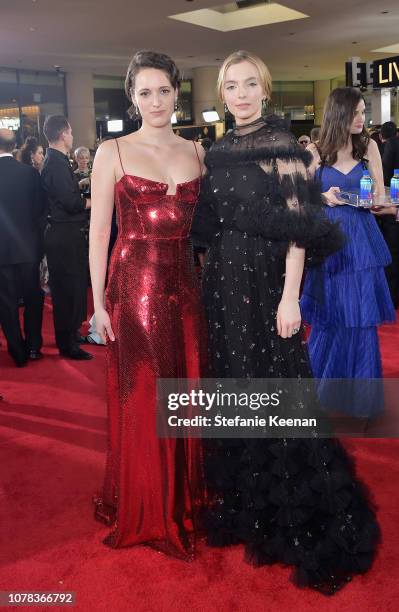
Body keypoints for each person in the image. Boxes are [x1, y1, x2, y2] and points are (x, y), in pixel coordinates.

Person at [192, 51, 380, 595]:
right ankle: (248, 504)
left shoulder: (285, 147)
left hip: (269, 285)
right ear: (222, 93)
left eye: (252, 83)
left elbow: (300, 229)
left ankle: (291, 515)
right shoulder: (218, 151)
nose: (242, 93)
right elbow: (208, 230)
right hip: (223, 287)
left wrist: (290, 297)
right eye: (232, 85)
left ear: (266, 89)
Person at [89, 50, 206, 558]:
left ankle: (184, 498)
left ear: (176, 93)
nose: (155, 101)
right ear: (132, 97)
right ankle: (149, 507)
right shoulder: (111, 152)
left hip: (186, 286)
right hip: (134, 288)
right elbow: (97, 235)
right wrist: (97, 304)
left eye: (163, 90)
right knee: (145, 396)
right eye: (144, 92)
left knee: (186, 391)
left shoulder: (198, 152)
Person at [300, 88, 395, 416]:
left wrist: (380, 201)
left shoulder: (368, 146)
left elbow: (381, 197)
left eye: (363, 112)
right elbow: (297, 203)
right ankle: (323, 391)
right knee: (331, 318)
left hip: (361, 243)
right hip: (328, 244)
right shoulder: (314, 151)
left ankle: (360, 398)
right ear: (337, 114)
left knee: (361, 320)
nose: (361, 119)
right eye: (355, 112)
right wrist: (323, 198)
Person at [41, 115, 92, 360]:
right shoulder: (56, 163)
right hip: (63, 235)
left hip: (66, 233)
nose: (72, 137)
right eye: (71, 133)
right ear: (63, 134)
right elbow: (70, 202)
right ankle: (67, 343)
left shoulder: (57, 161)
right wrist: (92, 201)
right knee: (66, 289)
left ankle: (71, 334)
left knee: (73, 286)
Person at [0, 128, 45, 365]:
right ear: (14, 145)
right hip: (27, 247)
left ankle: (17, 351)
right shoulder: (29, 174)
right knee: (32, 298)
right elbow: (40, 213)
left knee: (6, 302)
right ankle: (33, 347)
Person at [376, 122, 399, 308]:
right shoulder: (394, 144)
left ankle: (391, 300)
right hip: (396, 207)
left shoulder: (393, 145)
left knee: (393, 255)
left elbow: (384, 176)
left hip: (394, 206)